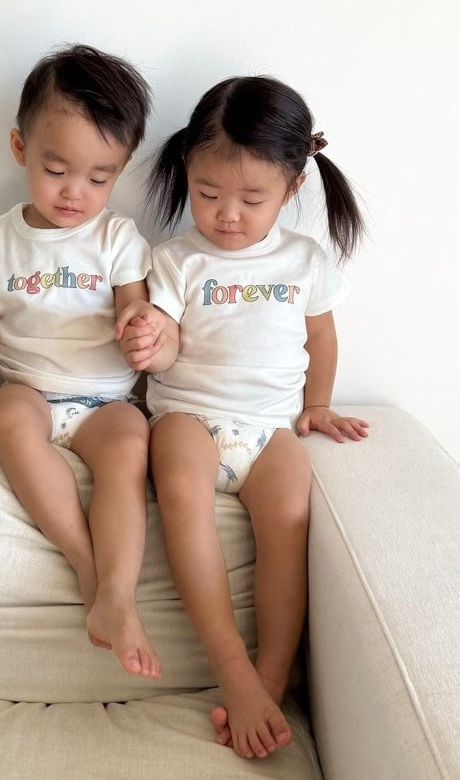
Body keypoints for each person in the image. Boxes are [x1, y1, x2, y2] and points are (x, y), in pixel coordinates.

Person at [116, 75, 369, 756]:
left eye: (252, 199)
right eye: (208, 194)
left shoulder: (305, 260)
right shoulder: (175, 259)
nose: (228, 215)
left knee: (289, 514)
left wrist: (318, 404)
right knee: (181, 490)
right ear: (186, 173)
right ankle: (231, 665)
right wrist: (150, 340)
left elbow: (321, 339)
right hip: (189, 416)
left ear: (292, 188)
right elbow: (167, 340)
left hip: (269, 428)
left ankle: (271, 674)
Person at [0, 44, 162, 680]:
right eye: (56, 170)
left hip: (107, 401)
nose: (75, 193)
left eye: (99, 178)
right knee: (6, 415)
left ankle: (118, 595)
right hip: (29, 390)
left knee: (130, 448)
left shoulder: (117, 238)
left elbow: (135, 303)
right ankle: (88, 568)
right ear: (20, 148)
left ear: (120, 171)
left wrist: (137, 324)